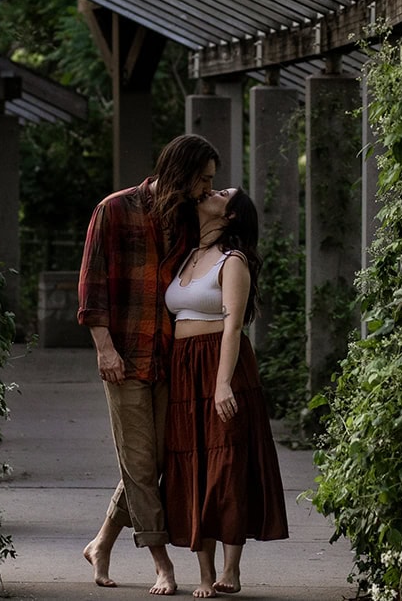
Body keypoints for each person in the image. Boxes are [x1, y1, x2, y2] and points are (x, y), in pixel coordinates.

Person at [78, 134, 221, 595]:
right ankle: (162, 563)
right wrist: (104, 348)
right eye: (203, 179)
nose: (206, 189)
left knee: (155, 462)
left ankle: (101, 542)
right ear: (181, 173)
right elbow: (92, 286)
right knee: (139, 464)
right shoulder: (113, 209)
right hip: (124, 358)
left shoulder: (186, 217)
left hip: (169, 357)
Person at [163, 187, 288, 598]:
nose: (212, 190)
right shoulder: (187, 252)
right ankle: (204, 574)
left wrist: (221, 384)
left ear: (231, 215)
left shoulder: (232, 260)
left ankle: (230, 570)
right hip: (184, 370)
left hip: (222, 367)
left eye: (222, 192)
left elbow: (234, 326)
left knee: (227, 464)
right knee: (195, 462)